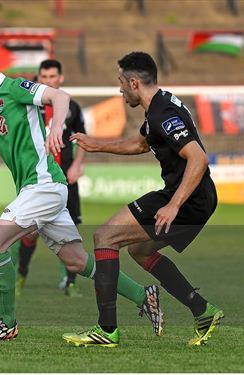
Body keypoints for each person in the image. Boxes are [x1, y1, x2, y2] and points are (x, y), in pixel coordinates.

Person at [0, 39, 163, 342]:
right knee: (75, 260)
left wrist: (57, 128)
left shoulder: (16, 88)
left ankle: (6, 323)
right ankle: (143, 295)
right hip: (36, 190)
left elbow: (59, 97)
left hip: (44, 185)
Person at [64, 51, 223, 347]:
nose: (120, 90)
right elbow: (140, 144)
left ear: (134, 82)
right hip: (193, 196)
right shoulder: (159, 107)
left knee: (105, 236)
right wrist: (97, 146)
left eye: (121, 83)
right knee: (139, 250)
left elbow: (198, 158)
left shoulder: (163, 114)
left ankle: (106, 330)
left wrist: (173, 205)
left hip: (188, 197)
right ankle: (203, 311)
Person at [15, 59, 87, 298]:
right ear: (39, 79)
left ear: (60, 78)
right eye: (44, 78)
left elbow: (82, 137)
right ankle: (21, 273)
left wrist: (78, 164)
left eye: (52, 77)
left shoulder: (72, 107)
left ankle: (70, 282)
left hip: (66, 177)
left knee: (70, 230)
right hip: (38, 177)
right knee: (30, 231)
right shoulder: (30, 105)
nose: (48, 81)